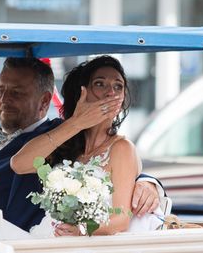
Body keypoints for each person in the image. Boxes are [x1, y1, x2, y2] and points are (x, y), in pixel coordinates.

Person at [0, 57, 162, 232]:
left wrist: (149, 182)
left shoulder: (58, 133)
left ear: (44, 102)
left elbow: (116, 166)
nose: (5, 100)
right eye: (2, 91)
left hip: (2, 231)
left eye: (17, 93)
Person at [11, 55, 163, 236]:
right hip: (54, 235)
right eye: (100, 84)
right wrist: (77, 122)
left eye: (118, 86)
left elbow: (121, 220)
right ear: (81, 93)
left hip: (94, 246)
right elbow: (19, 164)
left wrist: (80, 230)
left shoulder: (122, 148)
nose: (110, 93)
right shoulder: (65, 140)